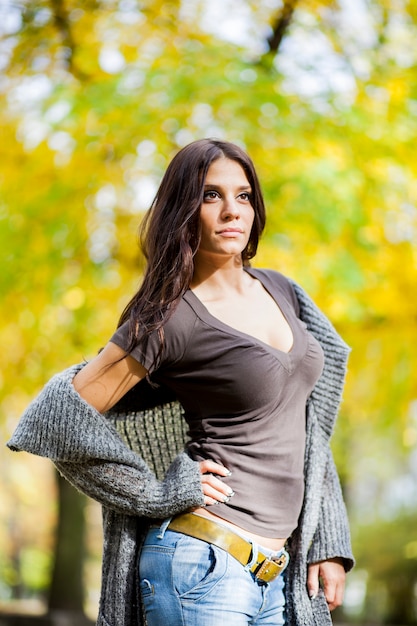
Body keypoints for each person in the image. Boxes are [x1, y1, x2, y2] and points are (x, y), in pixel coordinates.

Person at [8, 138, 354, 626]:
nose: (232, 211)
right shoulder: (169, 317)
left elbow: (310, 425)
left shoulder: (283, 290)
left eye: (244, 195)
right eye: (211, 196)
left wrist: (329, 541)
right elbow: (55, 420)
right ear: (183, 210)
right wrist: (153, 494)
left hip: (278, 576)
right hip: (202, 569)